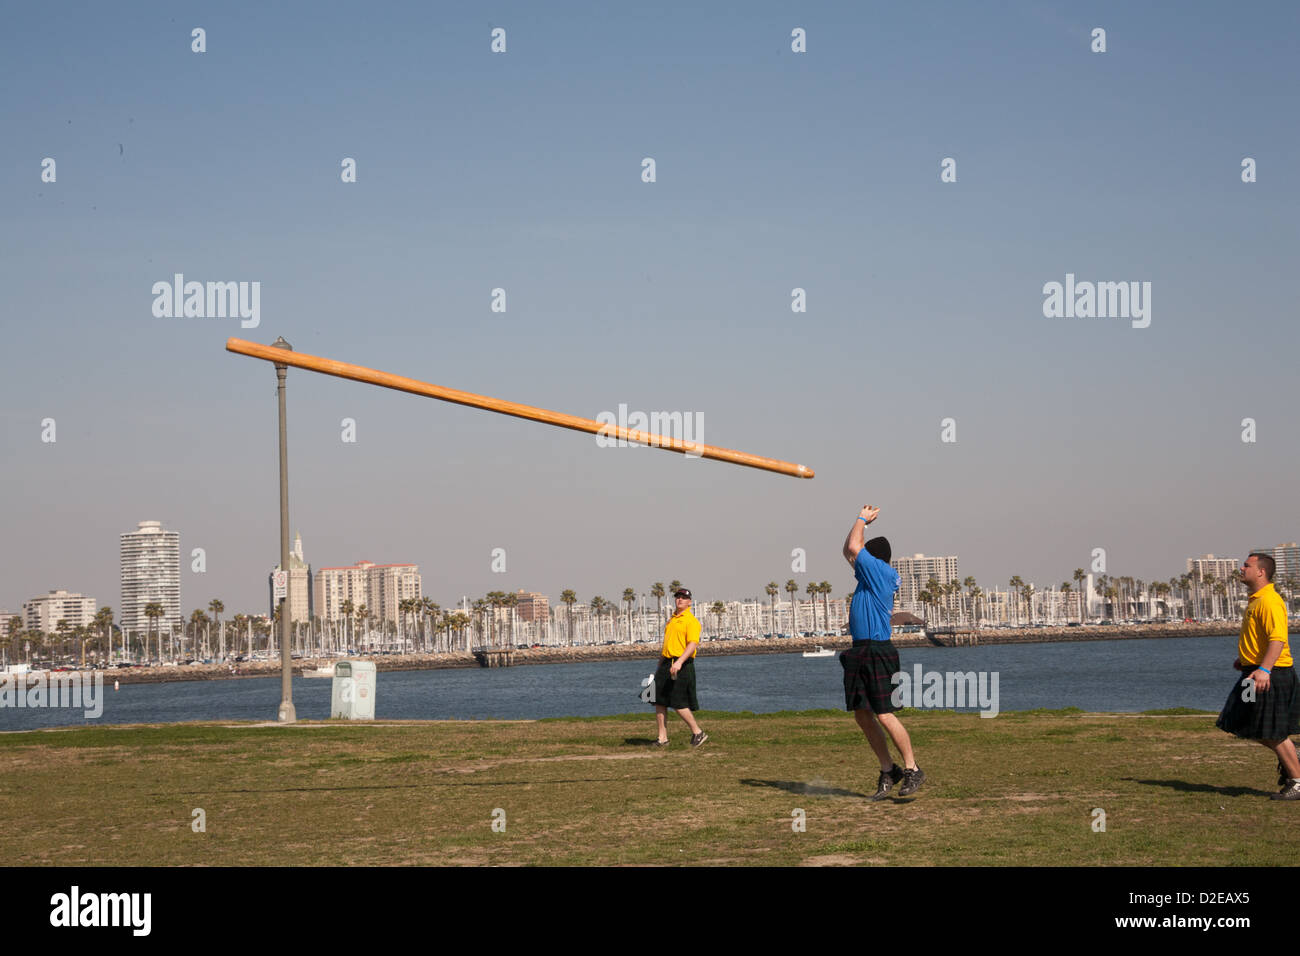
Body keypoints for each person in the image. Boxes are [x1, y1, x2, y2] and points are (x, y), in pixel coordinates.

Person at [841, 503, 924, 799]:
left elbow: (853, 546)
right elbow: (848, 550)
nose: (856, 558)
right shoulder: (868, 575)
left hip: (878, 650)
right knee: (863, 715)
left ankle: (912, 769)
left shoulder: (880, 572)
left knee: (885, 714)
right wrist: (859, 530)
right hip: (860, 650)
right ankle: (889, 769)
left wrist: (862, 518)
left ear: (872, 558)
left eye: (862, 554)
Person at [1216, 552, 1300, 799]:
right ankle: (1292, 752)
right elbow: (1260, 638)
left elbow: (1278, 639)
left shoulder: (1270, 601)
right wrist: (1245, 660)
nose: (1241, 568)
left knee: (1270, 731)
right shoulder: (1256, 600)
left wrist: (1264, 669)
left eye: (1246, 565)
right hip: (1253, 672)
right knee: (1244, 722)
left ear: (1261, 571)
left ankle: (1296, 782)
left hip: (1269, 675)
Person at [651, 587, 707, 748]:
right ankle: (662, 738)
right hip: (667, 662)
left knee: (678, 702)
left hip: (681, 664)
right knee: (658, 700)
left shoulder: (691, 621)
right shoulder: (672, 620)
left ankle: (698, 732)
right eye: (678, 597)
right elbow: (667, 644)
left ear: (689, 602)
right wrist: (660, 663)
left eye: (683, 598)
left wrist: (680, 662)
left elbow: (692, 644)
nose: (680, 600)